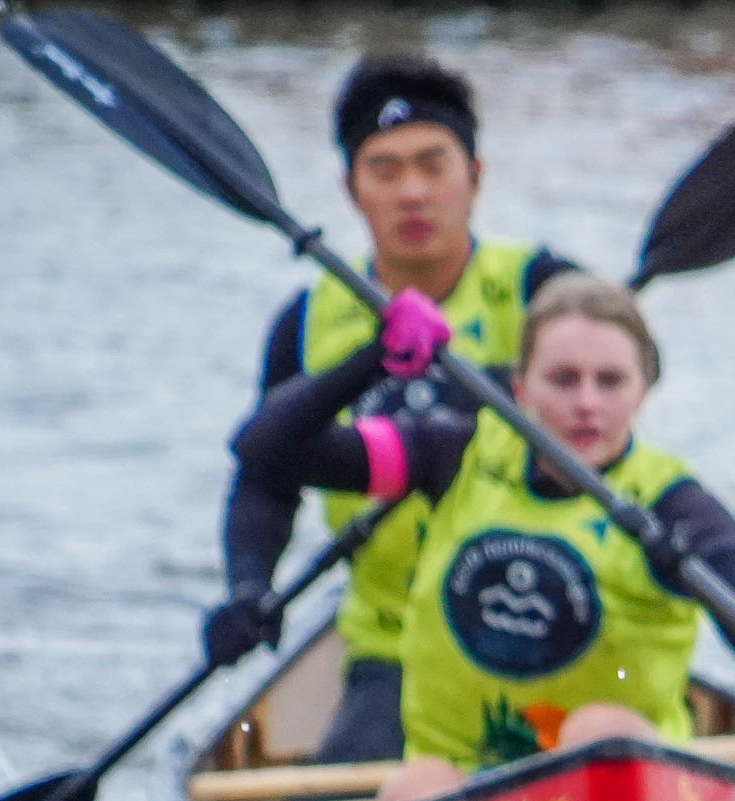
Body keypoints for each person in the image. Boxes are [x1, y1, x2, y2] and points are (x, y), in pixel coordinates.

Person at [230, 272, 735, 801]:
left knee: (599, 733)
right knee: (413, 785)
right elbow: (267, 450)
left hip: (628, 790)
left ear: (644, 391)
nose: (587, 404)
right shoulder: (456, 452)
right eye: (563, 379)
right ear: (519, 387)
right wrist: (370, 361)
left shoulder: (671, 504)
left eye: (610, 381)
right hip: (462, 778)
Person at [203, 54, 582, 764]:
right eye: (385, 169)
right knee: (349, 798)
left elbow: (612, 435)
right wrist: (249, 587)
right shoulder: (307, 320)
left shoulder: (547, 291)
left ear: (476, 175)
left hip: (551, 628)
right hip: (396, 642)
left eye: (433, 164)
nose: (412, 192)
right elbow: (265, 475)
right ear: (351, 189)